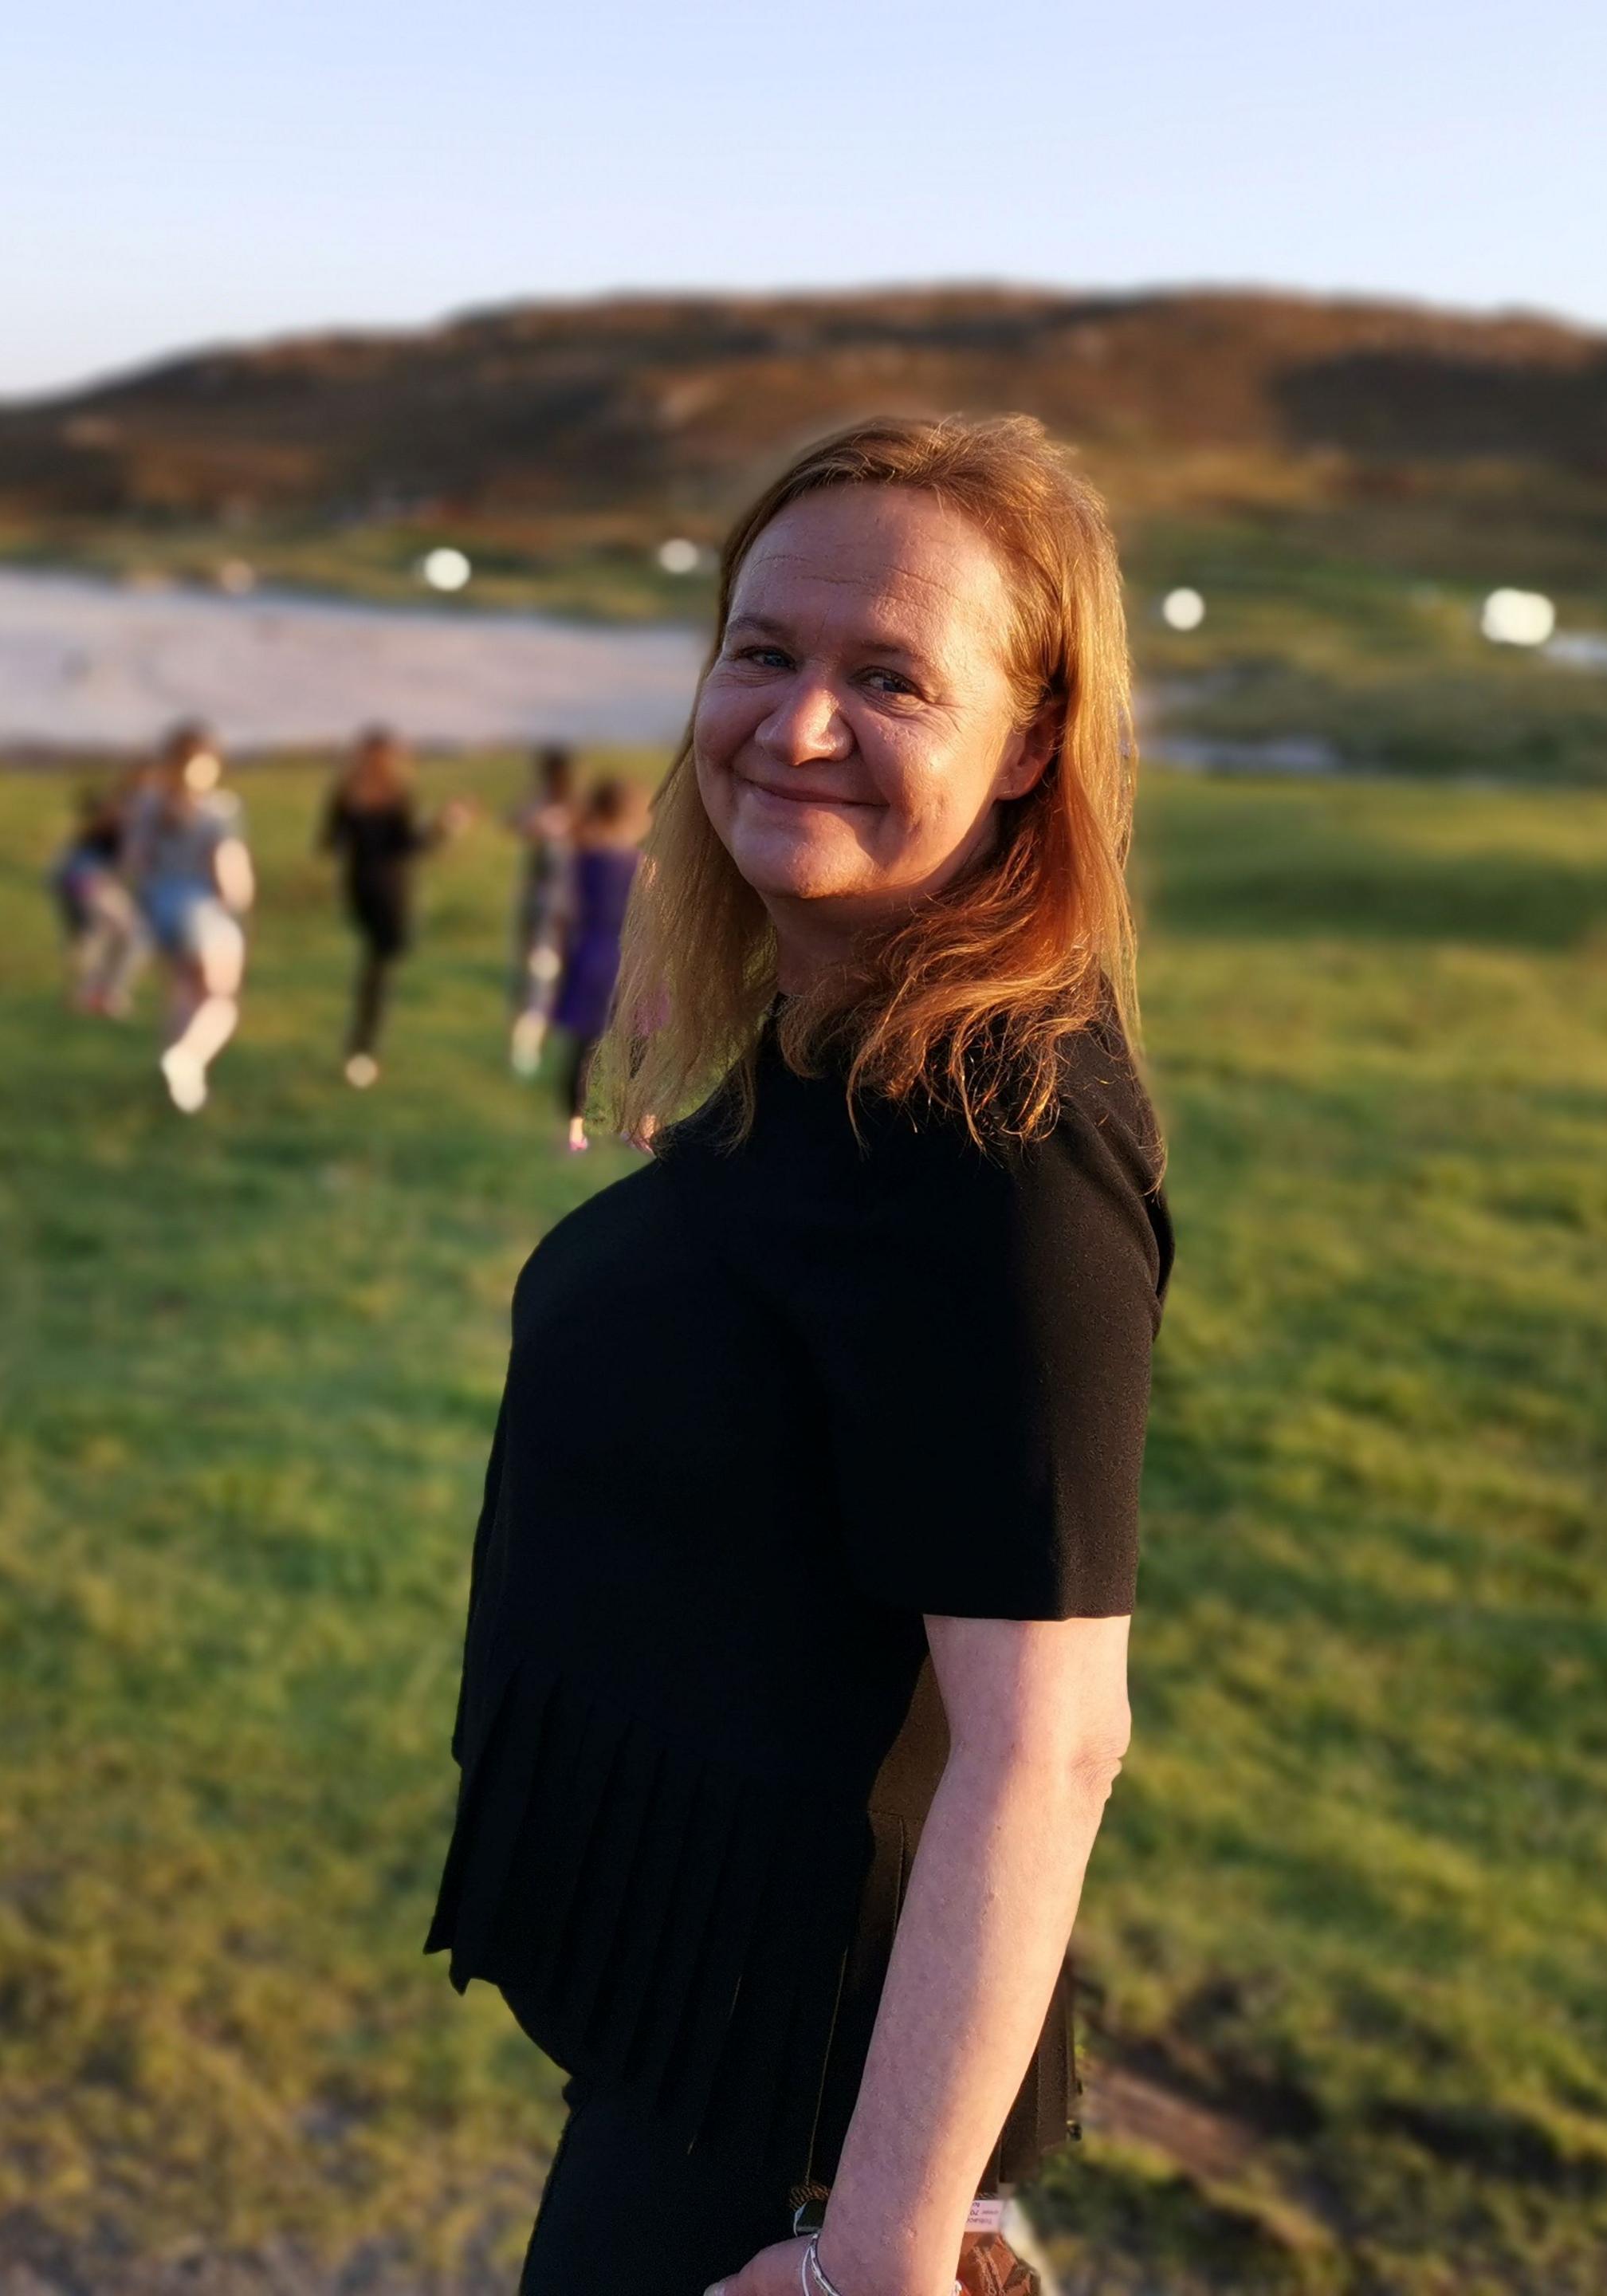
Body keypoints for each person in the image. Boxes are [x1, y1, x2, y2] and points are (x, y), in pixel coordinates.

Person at [424, 415, 1168, 2296]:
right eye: (761, 650)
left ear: (1023, 745)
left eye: (888, 677)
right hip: (699, 2069)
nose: (794, 720)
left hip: (792, 2159)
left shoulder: (998, 1134)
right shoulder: (837, 1042)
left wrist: (873, 2262)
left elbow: (1048, 1742)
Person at [320, 725, 471, 1089]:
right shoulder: (396, 795)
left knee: (379, 962)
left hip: (358, 888)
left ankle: (364, 1048)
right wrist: (445, 827)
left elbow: (329, 844)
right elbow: (409, 846)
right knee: (382, 965)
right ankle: (363, 1050)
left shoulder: (346, 793)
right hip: (390, 889)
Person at [123, 720, 254, 1115]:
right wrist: (239, 908)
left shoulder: (146, 803)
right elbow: (229, 872)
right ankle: (188, 1059)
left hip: (157, 907)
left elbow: (135, 861)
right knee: (219, 998)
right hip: (201, 911)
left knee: (180, 992)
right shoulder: (218, 809)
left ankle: (175, 1081)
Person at [545, 774, 648, 1154]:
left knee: (581, 1049)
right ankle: (638, 1125)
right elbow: (657, 917)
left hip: (588, 956)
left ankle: (573, 1132)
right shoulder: (643, 865)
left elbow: (561, 913)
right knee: (640, 1045)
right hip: (632, 961)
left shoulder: (579, 862)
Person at [503, 744, 579, 1075]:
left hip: (550, 910)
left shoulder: (558, 812)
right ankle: (528, 1050)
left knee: (541, 979)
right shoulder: (565, 812)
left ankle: (530, 1048)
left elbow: (516, 821)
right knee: (542, 978)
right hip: (557, 911)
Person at [50, 777, 144, 1016]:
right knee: (124, 934)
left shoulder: (117, 834)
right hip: (86, 887)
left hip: (91, 888)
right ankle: (102, 995)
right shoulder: (95, 837)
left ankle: (98, 995)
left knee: (113, 938)